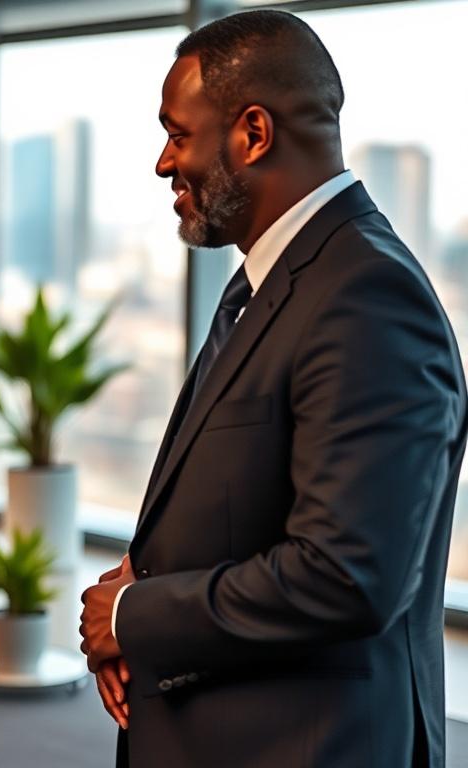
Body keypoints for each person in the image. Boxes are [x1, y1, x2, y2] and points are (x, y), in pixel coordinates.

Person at [79, 10, 466, 767]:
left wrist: (136, 614)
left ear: (253, 133)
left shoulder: (367, 295)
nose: (163, 162)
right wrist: (145, 583)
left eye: (178, 133)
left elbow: (346, 573)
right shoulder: (271, 283)